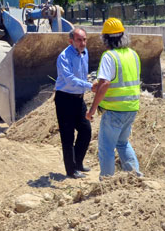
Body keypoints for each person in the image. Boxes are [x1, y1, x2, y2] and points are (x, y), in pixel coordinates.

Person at [86, 18, 142, 178]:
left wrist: (92, 109)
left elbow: (105, 84)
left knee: (106, 148)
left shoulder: (109, 56)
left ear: (105, 39)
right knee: (122, 143)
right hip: (131, 108)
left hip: (114, 111)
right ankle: (135, 177)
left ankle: (107, 182)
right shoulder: (133, 54)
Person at [54, 27, 93, 179]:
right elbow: (69, 80)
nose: (83, 43)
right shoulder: (64, 57)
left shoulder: (85, 53)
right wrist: (90, 86)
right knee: (68, 136)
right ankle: (71, 171)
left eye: (84, 39)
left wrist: (88, 84)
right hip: (65, 99)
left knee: (86, 130)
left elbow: (83, 75)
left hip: (78, 98)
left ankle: (78, 163)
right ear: (71, 41)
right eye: (79, 40)